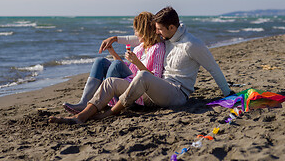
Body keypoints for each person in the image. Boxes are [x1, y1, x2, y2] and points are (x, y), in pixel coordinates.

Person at [49, 7, 232, 124]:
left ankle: (111, 113)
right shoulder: (167, 37)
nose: (157, 33)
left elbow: (213, 69)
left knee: (143, 76)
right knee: (110, 82)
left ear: (171, 27)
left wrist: (229, 95)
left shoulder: (192, 44)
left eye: (159, 29)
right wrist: (115, 39)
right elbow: (140, 38)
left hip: (177, 94)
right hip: (156, 89)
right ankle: (81, 117)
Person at [51, 11, 165, 120]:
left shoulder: (158, 48)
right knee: (100, 61)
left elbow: (154, 78)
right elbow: (128, 71)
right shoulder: (139, 48)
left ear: (143, 30)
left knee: (116, 64)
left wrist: (136, 62)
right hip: (129, 82)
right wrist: (113, 53)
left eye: (136, 30)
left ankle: (109, 104)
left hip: (141, 91)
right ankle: (84, 102)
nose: (135, 33)